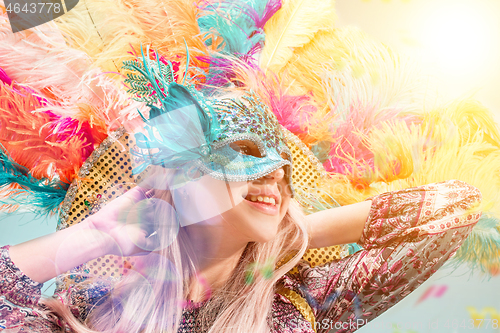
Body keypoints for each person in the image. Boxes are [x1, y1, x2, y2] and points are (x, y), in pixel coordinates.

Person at [0, 81, 483, 332]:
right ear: (184, 184)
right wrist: (97, 235)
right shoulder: (95, 305)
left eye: (282, 170)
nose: (274, 174)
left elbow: (459, 208)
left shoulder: (307, 303)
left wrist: (294, 235)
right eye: (246, 157)